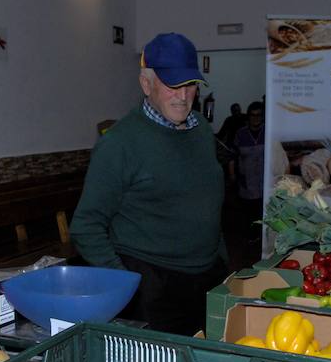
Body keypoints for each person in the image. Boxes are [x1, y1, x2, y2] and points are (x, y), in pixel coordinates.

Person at [70, 32, 227, 335]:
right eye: (172, 85)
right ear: (146, 84)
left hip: (207, 281)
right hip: (153, 289)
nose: (183, 96)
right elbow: (86, 226)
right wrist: (126, 284)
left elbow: (207, 196)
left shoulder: (202, 131)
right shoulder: (120, 143)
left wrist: (220, 256)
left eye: (190, 85)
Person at [228, 101, 265, 243]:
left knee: (262, 212)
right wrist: (232, 176)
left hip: (264, 182)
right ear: (248, 116)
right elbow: (232, 156)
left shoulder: (268, 132)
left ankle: (262, 239)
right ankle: (251, 237)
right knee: (249, 213)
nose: (256, 118)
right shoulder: (241, 134)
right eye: (253, 115)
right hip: (247, 182)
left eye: (259, 115)